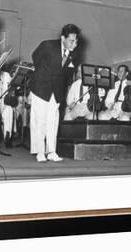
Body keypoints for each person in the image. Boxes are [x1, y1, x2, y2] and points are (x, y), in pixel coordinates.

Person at [29, 24, 81, 162]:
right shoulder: (48, 46)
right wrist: (45, 74)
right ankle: (40, 152)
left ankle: (51, 151)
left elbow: (67, 73)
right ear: (63, 38)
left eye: (76, 41)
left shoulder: (73, 53)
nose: (74, 45)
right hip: (40, 87)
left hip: (57, 90)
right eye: (71, 41)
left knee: (53, 120)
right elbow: (35, 57)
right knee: (39, 120)